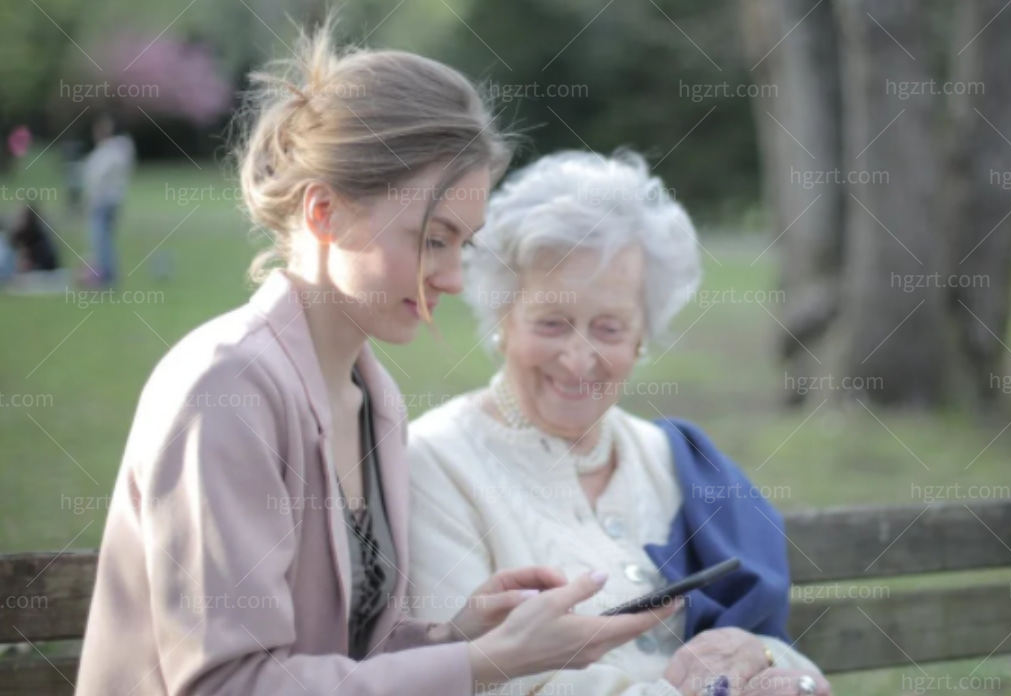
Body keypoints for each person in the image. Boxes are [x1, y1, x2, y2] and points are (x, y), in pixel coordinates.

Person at [76, 23, 672, 696]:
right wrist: (482, 666)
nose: (451, 279)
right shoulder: (227, 387)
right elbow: (228, 685)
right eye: (432, 240)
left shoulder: (372, 394)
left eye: (463, 246)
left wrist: (461, 633)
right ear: (326, 212)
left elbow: (340, 647)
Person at [405, 151, 831, 696]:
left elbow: (790, 662)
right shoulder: (436, 462)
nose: (578, 360)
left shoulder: (674, 459)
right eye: (553, 323)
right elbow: (478, 679)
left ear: (641, 336)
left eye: (608, 329)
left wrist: (767, 658)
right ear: (503, 320)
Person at [80, 113, 135, 286]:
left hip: (103, 202)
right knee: (103, 240)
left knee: (101, 240)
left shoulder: (110, 152)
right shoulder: (114, 151)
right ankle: (105, 274)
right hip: (108, 202)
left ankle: (107, 276)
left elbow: (96, 178)